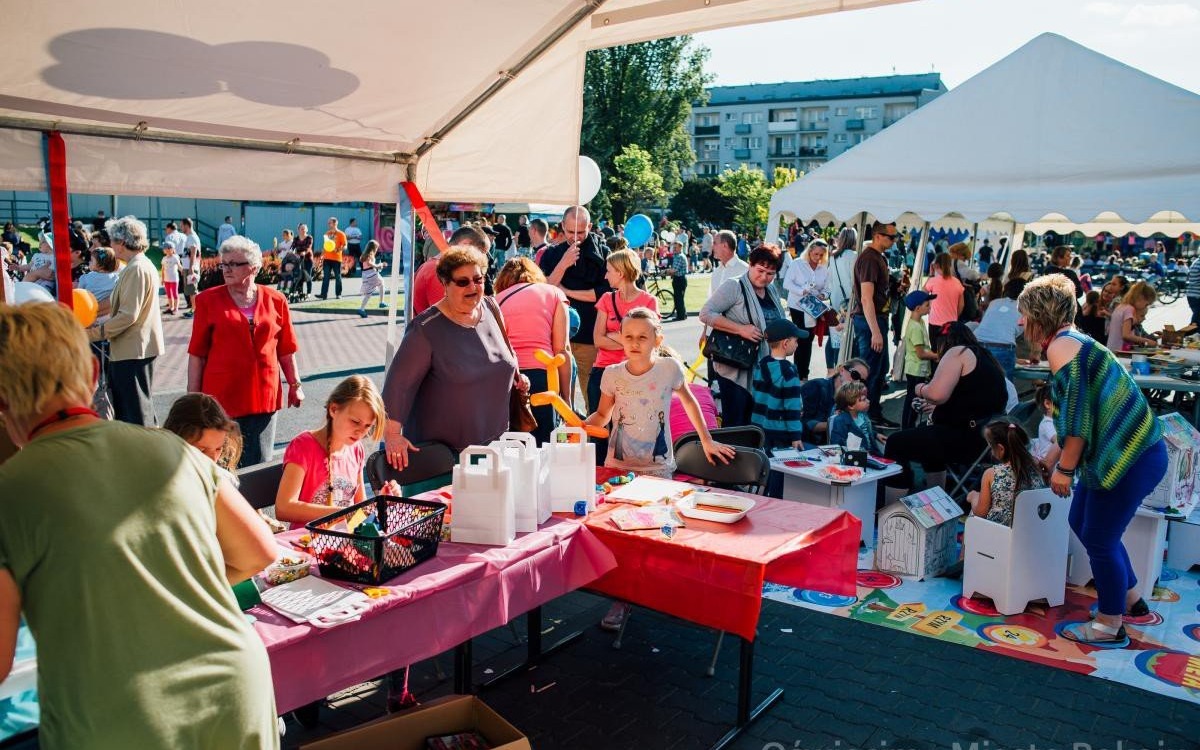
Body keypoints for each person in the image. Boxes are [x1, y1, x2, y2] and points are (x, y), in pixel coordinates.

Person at [0, 302, 279, 749]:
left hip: (120, 711)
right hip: (233, 685)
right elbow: (259, 552)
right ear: (93, 374)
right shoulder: (173, 450)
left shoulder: (10, 488)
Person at [1018, 274, 1167, 644]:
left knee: (1099, 537)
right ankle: (1132, 601)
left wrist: (1064, 469)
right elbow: (1075, 417)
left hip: (1129, 458)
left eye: (1023, 314)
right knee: (1084, 522)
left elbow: (1079, 420)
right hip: (1136, 453)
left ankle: (1109, 624)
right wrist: (1052, 457)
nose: (1020, 322)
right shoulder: (1071, 341)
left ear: (1040, 314)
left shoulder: (1060, 349)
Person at [382, 246, 524, 467]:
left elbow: (506, 353)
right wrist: (392, 435)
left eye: (478, 279)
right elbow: (398, 386)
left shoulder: (491, 307)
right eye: (462, 282)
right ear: (445, 284)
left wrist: (517, 375)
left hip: (495, 445)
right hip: (445, 457)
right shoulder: (425, 329)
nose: (473, 287)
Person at [187, 236, 303, 466]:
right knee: (222, 464)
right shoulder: (207, 301)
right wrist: (193, 398)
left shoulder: (276, 300)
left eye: (234, 264)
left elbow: (286, 349)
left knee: (258, 464)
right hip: (221, 398)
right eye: (224, 263)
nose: (226, 269)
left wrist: (295, 385)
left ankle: (254, 505)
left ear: (254, 267)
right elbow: (197, 354)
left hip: (264, 396)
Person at [584, 307, 733, 477]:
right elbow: (603, 415)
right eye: (628, 337)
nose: (635, 343)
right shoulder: (611, 373)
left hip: (658, 469)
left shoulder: (669, 368)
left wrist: (707, 440)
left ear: (657, 340)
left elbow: (690, 403)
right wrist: (578, 428)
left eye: (642, 337)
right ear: (621, 338)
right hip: (618, 467)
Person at [884, 322, 1008, 496]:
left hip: (967, 439)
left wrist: (919, 388)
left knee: (895, 443)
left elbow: (936, 394)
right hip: (987, 439)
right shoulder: (986, 357)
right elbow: (971, 399)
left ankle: (891, 507)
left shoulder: (958, 352)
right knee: (927, 436)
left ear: (944, 342)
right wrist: (937, 408)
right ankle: (936, 499)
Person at [275, 375, 385, 525]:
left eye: (367, 426)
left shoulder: (356, 450)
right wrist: (340, 513)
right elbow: (284, 508)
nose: (360, 432)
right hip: (306, 543)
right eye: (355, 422)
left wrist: (381, 501)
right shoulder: (303, 446)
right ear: (334, 409)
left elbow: (360, 510)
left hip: (344, 541)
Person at [87, 215, 165, 426]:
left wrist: (93, 333)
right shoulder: (137, 266)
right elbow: (118, 306)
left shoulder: (137, 268)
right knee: (136, 409)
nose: (110, 245)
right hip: (133, 348)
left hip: (133, 350)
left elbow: (127, 315)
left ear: (121, 243)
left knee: (135, 413)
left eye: (112, 240)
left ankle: (141, 455)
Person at [699, 244, 786, 427]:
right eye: (760, 271)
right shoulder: (734, 285)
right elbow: (706, 313)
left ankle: (753, 455)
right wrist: (740, 329)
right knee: (737, 423)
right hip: (735, 369)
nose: (764, 277)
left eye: (770, 274)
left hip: (763, 368)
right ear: (750, 265)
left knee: (757, 422)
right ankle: (734, 455)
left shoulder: (771, 290)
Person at [538, 206, 611, 410]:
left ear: (590, 226)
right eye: (571, 232)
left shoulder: (603, 253)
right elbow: (545, 290)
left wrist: (567, 292)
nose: (576, 237)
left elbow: (603, 294)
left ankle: (594, 440)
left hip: (590, 338)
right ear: (562, 226)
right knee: (560, 400)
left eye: (581, 232)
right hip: (558, 339)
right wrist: (564, 263)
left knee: (593, 400)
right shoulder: (552, 255)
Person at [495, 257, 572, 446]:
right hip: (545, 376)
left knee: (512, 446)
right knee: (546, 445)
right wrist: (566, 399)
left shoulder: (496, 301)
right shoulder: (554, 294)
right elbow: (562, 350)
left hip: (508, 378)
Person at [589, 249, 658, 442]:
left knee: (632, 432)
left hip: (636, 374)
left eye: (609, 270)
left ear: (620, 273)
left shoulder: (649, 301)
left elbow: (651, 342)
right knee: (600, 434)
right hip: (603, 371)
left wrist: (615, 336)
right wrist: (631, 340)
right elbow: (597, 340)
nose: (605, 275)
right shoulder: (606, 299)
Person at [851, 222, 898, 426]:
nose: (893, 241)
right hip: (870, 320)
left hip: (875, 319)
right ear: (878, 236)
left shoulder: (877, 257)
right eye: (891, 237)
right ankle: (866, 417)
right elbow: (866, 298)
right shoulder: (870, 258)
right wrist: (875, 331)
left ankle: (872, 414)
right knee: (869, 372)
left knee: (878, 371)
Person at [966, 420, 1046, 527]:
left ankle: (968, 544)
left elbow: (980, 512)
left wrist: (973, 497)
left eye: (990, 446)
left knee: (972, 515)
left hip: (999, 534)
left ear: (1000, 449)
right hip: (1029, 530)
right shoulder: (1036, 467)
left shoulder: (991, 474)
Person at [750, 318, 808, 450]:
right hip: (780, 433)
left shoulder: (761, 365)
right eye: (796, 340)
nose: (797, 344)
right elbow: (792, 408)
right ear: (786, 343)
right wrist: (796, 436)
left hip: (759, 428)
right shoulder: (789, 372)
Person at [163, 392, 245, 481]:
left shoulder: (225, 480)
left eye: (218, 449)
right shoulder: (159, 479)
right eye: (202, 450)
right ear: (175, 441)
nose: (213, 460)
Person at [782, 238, 829, 379]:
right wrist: (802, 290)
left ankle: (803, 373)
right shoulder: (797, 264)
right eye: (816, 254)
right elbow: (786, 284)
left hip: (813, 307)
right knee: (800, 339)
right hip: (797, 305)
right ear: (809, 252)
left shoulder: (824, 268)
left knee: (808, 339)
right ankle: (798, 372)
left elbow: (827, 288)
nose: (818, 258)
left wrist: (823, 294)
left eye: (821, 255)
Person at [973, 278, 1026, 379]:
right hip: (1003, 348)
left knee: (979, 385)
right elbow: (1034, 337)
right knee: (1004, 387)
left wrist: (1014, 358)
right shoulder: (1026, 308)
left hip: (977, 345)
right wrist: (1035, 354)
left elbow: (994, 328)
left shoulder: (995, 302)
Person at [900, 291, 938, 430]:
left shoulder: (919, 322)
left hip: (918, 368)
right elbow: (921, 353)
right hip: (916, 370)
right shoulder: (915, 327)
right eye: (927, 305)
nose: (930, 308)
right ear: (917, 308)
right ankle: (907, 429)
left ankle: (909, 427)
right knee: (913, 401)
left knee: (913, 399)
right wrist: (937, 355)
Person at [826, 227, 859, 370]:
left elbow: (830, 280)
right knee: (850, 337)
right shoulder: (854, 255)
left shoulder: (833, 256)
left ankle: (832, 369)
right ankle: (845, 368)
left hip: (836, 301)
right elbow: (855, 281)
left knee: (835, 338)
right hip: (850, 301)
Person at [923, 253, 964, 353]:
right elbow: (961, 305)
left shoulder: (933, 281)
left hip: (935, 323)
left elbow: (923, 294)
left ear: (936, 266)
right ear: (950, 265)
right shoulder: (957, 282)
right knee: (949, 353)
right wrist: (954, 315)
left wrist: (931, 274)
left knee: (935, 352)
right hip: (951, 324)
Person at [828, 380, 882, 454]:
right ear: (851, 406)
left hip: (872, 454)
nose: (868, 401)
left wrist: (876, 434)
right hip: (856, 457)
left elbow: (864, 430)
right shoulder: (840, 421)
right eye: (864, 399)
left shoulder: (863, 415)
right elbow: (837, 444)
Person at [1106, 280, 1158, 352]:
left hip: (1112, 348)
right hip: (1119, 351)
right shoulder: (1130, 309)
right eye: (1146, 304)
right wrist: (1146, 341)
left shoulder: (1121, 306)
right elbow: (1126, 335)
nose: (1145, 307)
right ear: (1141, 297)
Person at [76, 246, 121, 319]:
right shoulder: (116, 278)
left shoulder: (86, 278)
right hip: (105, 316)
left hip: (87, 312)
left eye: (91, 260)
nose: (89, 262)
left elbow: (79, 294)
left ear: (100, 265)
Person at [1029, 383, 1060, 477]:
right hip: (1051, 469)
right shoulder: (1047, 423)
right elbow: (1059, 440)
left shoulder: (1057, 421)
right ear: (1047, 404)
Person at [318, 216, 347, 299]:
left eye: (330, 222)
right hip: (327, 258)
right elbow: (325, 246)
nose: (328, 224)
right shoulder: (327, 233)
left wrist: (338, 249)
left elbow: (345, 246)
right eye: (328, 222)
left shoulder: (341, 234)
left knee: (338, 277)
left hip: (337, 259)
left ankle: (338, 294)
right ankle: (324, 294)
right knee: (326, 277)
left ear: (335, 223)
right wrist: (321, 255)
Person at [358, 240, 387, 317]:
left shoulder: (364, 254)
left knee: (369, 293)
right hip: (371, 273)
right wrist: (378, 266)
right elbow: (370, 264)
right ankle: (381, 302)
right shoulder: (369, 254)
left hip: (366, 274)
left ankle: (361, 309)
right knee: (382, 283)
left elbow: (368, 265)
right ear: (373, 248)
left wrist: (378, 266)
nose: (377, 249)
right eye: (376, 248)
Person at [179, 217, 202, 314]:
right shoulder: (189, 237)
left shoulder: (192, 237)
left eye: (182, 226)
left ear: (186, 225)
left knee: (193, 290)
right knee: (190, 290)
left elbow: (193, 252)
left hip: (191, 268)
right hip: (188, 267)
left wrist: (191, 268)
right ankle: (193, 308)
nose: (181, 228)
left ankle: (195, 310)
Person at [668, 240, 689, 321]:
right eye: (674, 247)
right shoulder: (677, 256)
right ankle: (683, 314)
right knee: (679, 298)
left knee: (678, 298)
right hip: (678, 279)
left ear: (680, 247)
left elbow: (674, 270)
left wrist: (666, 271)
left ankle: (681, 316)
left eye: (676, 247)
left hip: (680, 279)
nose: (674, 249)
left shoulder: (680, 256)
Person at [160, 240, 182, 315]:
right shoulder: (164, 258)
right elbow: (162, 269)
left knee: (175, 293)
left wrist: (184, 272)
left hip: (174, 279)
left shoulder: (175, 257)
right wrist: (162, 279)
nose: (164, 250)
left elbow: (179, 267)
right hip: (167, 280)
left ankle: (176, 308)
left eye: (165, 248)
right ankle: (170, 307)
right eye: (164, 249)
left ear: (171, 249)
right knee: (169, 294)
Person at [293, 223, 315, 298]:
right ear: (298, 230)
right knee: (300, 276)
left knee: (307, 275)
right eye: (301, 229)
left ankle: (309, 292)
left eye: (304, 228)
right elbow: (293, 246)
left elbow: (309, 247)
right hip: (298, 259)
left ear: (307, 229)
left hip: (308, 259)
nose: (303, 230)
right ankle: (300, 292)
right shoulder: (296, 238)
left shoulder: (309, 237)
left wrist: (304, 252)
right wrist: (291, 252)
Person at [1186, 253, 1200, 327]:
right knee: (1196, 324)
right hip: (1197, 296)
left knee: (1196, 323)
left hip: (1193, 295)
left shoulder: (1196, 261)